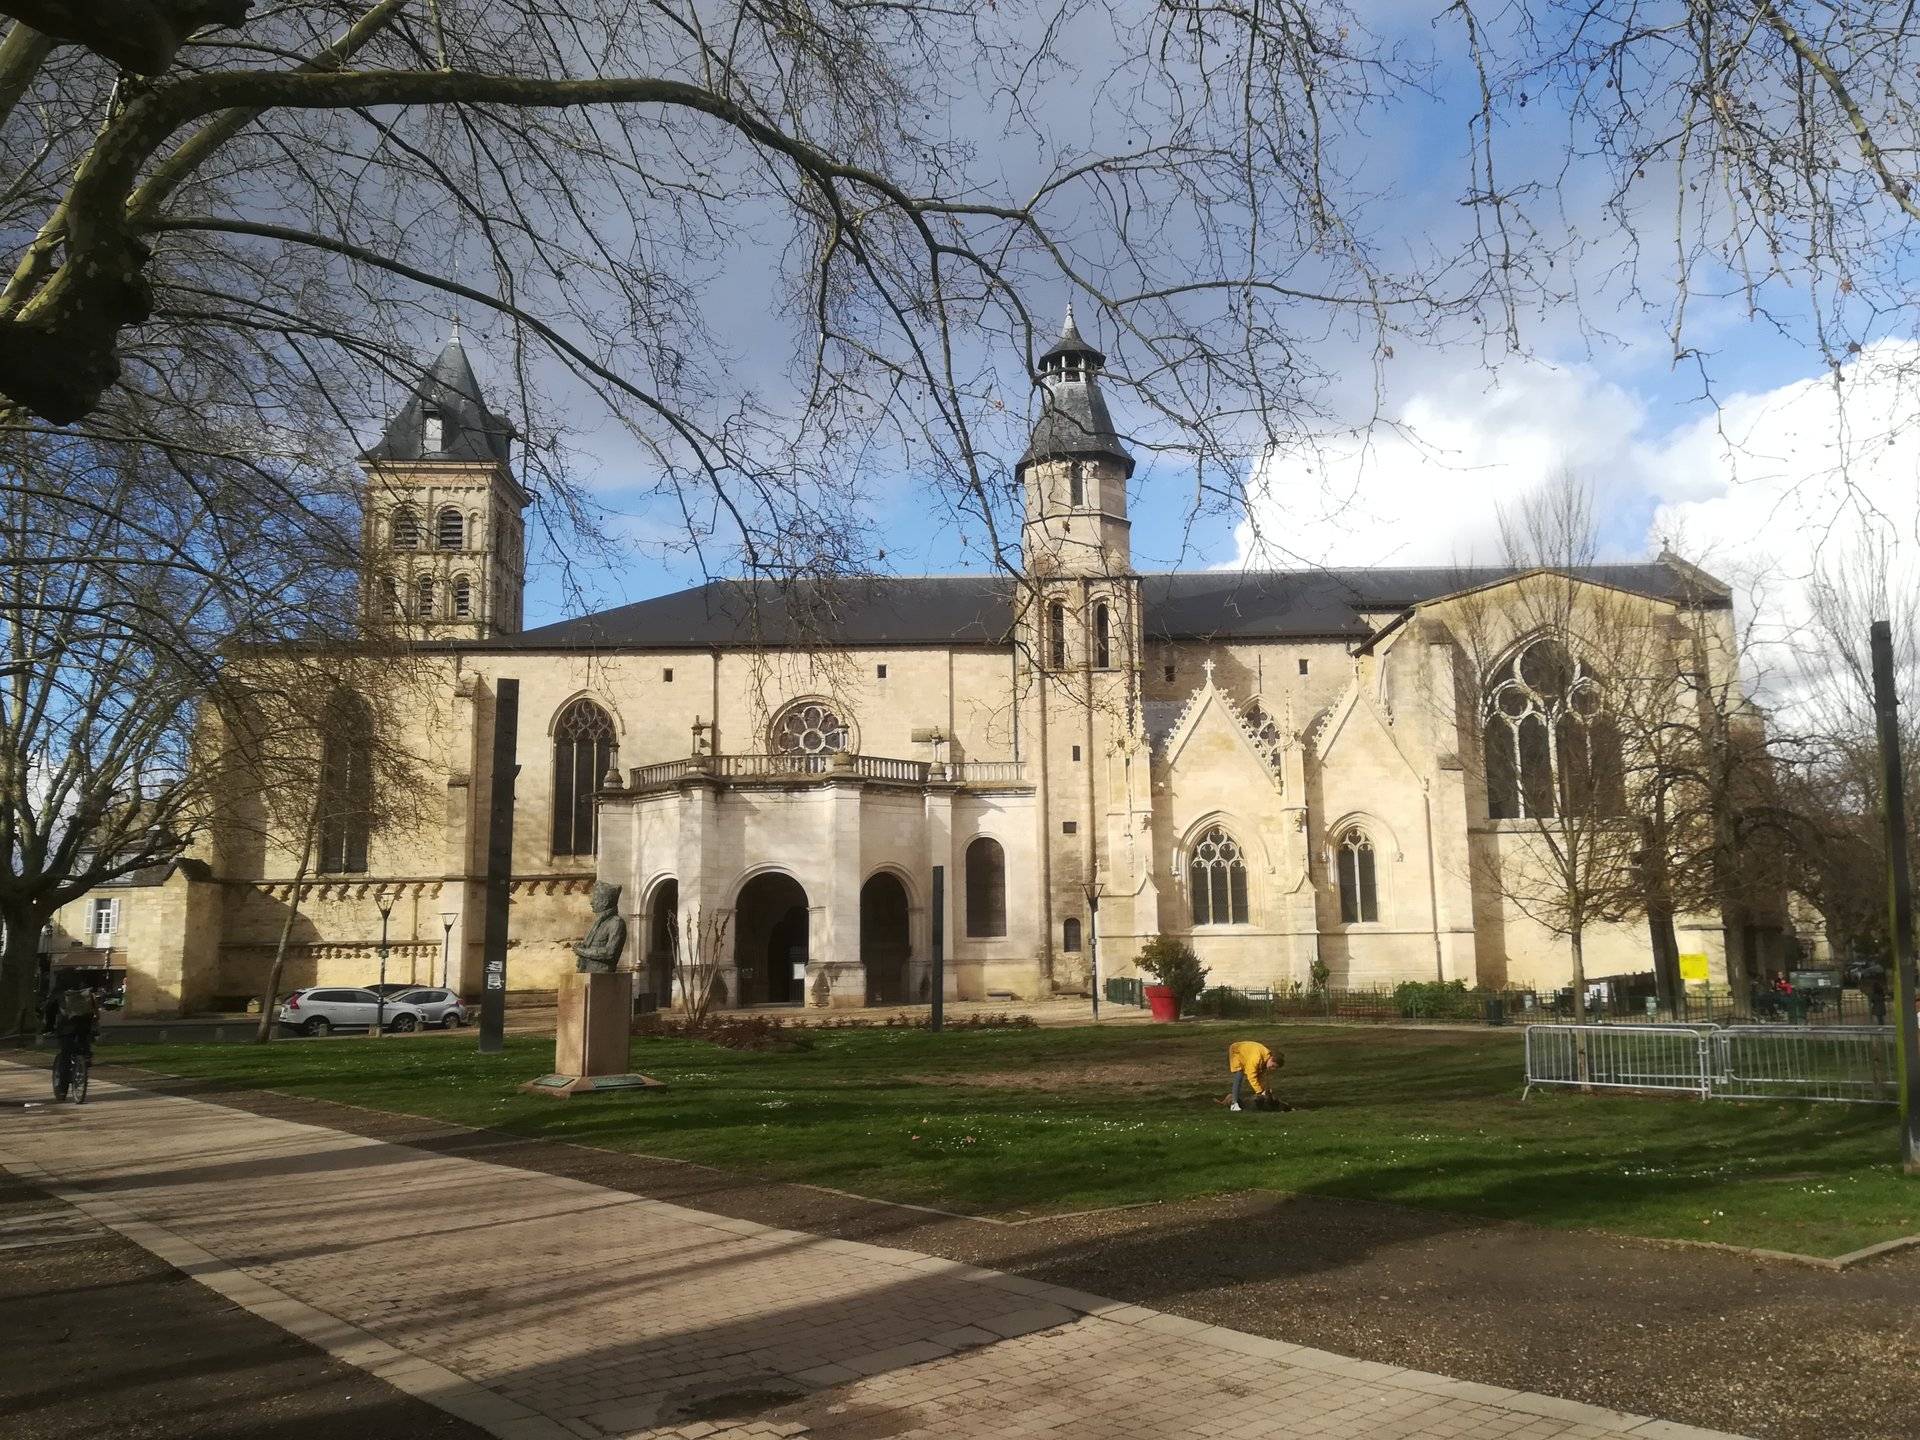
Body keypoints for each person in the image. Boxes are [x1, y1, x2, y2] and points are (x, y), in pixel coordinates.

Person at [43, 982, 100, 1100]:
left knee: (65, 1056)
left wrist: (49, 1027)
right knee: (83, 1044)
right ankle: (85, 1059)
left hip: (66, 1028)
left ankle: (62, 1091)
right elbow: (94, 1010)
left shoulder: (59, 991)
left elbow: (50, 1009)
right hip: (85, 1026)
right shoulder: (85, 990)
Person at [1226, 1039, 1282, 1112]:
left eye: (1275, 1068)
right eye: (1273, 1066)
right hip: (1236, 1051)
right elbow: (1251, 1076)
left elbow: (1260, 1077)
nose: (1272, 1069)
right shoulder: (1257, 1059)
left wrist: (1264, 1090)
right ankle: (1234, 1104)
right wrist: (1259, 1091)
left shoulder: (1265, 1058)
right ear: (1271, 1059)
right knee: (1239, 1076)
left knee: (1258, 1074)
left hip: (1247, 1054)